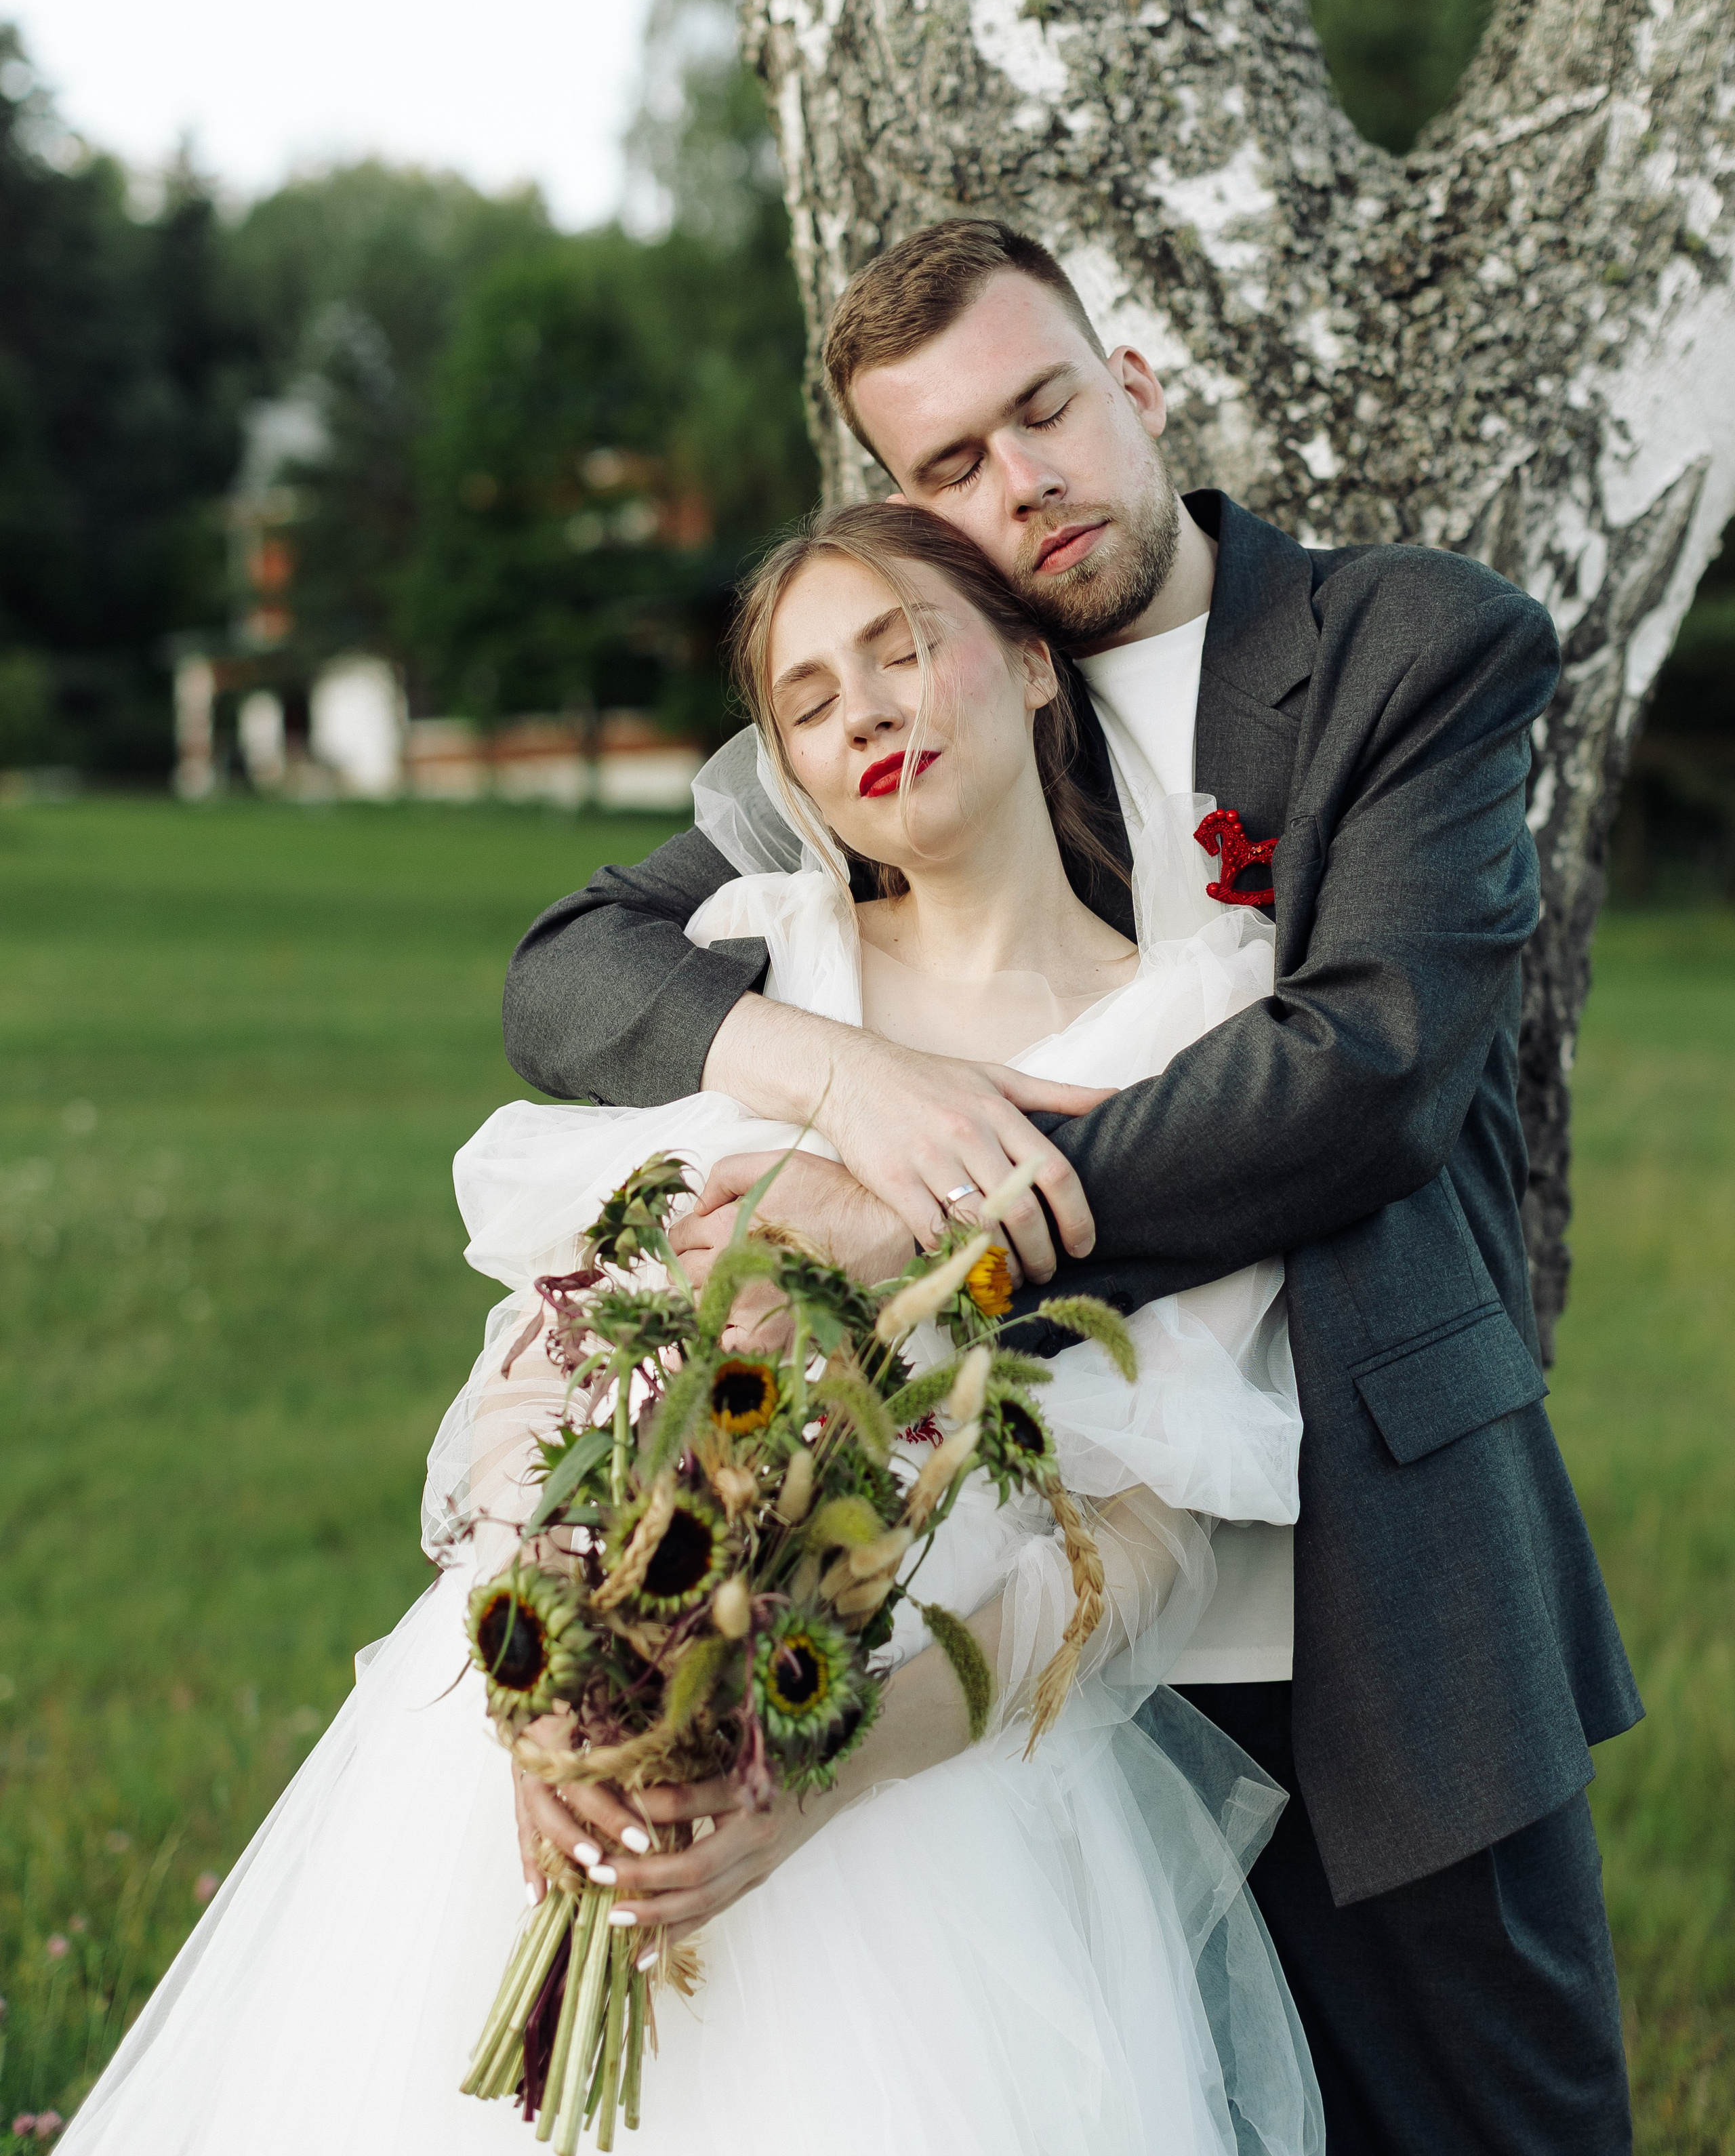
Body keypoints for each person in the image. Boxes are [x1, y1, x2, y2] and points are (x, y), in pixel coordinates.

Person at [501, 218, 1643, 2154]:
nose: (1013, 483)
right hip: (1014, 1608)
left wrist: (928, 1224)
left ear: (1134, 388)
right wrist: (859, 1083)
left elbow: (1370, 1076)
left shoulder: (1409, 646)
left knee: (1492, 2121)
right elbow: (573, 970)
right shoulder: (924, 685)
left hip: (1365, 1567)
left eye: (1039, 412)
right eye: (943, 466)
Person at [60, 502, 1323, 2155]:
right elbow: (547, 1355)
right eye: (806, 700)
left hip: (919, 1786)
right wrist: (545, 1681)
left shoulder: (1192, 1022)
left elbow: (1139, 1539)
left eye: (900, 648)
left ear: (1028, 663)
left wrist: (818, 1768)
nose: (862, 711)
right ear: (786, 772)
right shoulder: (754, 974)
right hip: (569, 1726)